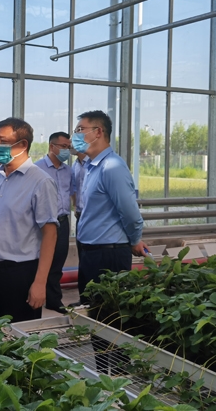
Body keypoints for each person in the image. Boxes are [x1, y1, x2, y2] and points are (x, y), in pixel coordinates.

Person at [0, 117, 59, 322]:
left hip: (20, 274)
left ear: (22, 145)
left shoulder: (41, 182)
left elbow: (50, 234)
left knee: (18, 335)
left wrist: (40, 283)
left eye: (2, 141)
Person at [73, 110, 148, 298]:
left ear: (98, 132)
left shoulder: (112, 167)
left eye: (80, 130)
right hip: (91, 252)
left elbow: (130, 212)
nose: (75, 136)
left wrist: (135, 240)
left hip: (108, 255)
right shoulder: (91, 167)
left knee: (106, 309)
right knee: (90, 307)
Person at [34, 132, 75, 314]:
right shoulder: (37, 168)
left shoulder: (68, 171)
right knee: (40, 259)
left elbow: (71, 194)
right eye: (63, 146)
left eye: (68, 147)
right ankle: (35, 294)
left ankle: (53, 300)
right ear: (52, 146)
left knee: (58, 260)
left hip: (62, 221)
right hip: (43, 223)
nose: (67, 150)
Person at [71, 150, 89, 300]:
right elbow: (74, 189)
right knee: (82, 257)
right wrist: (75, 206)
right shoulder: (75, 166)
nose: (71, 144)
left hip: (92, 217)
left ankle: (90, 298)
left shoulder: (95, 164)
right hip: (80, 216)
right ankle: (83, 297)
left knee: (90, 256)